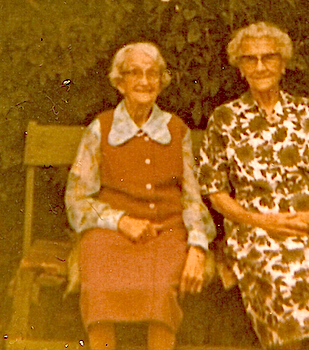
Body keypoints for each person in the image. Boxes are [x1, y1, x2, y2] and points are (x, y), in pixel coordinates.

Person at [197, 22, 309, 350]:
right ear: (240, 69)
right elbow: (215, 193)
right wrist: (265, 221)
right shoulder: (224, 119)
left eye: (268, 57)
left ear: (283, 64)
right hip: (257, 227)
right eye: (250, 59)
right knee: (283, 279)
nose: (260, 66)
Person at [65, 42, 216, 350]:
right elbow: (76, 198)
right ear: (120, 82)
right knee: (99, 286)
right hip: (109, 233)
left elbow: (191, 197)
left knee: (161, 289)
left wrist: (198, 248)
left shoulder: (176, 129)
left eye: (152, 74)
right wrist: (120, 221)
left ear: (162, 81)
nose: (145, 82)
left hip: (166, 232)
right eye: (135, 73)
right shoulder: (101, 128)